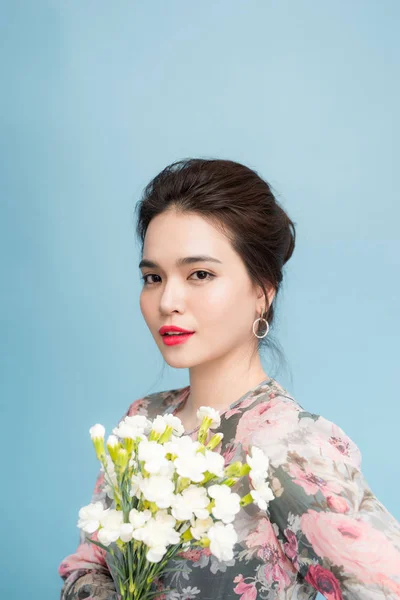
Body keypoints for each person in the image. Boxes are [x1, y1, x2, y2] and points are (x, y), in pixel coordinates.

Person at [58, 158, 400, 600]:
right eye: (153, 277)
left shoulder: (287, 444)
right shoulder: (145, 419)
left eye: (199, 274)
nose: (168, 300)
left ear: (262, 289)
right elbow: (86, 567)